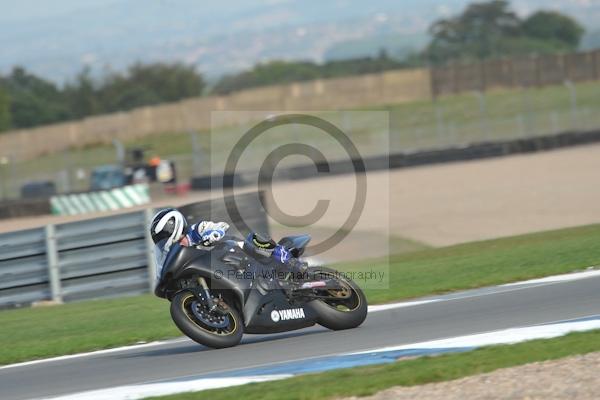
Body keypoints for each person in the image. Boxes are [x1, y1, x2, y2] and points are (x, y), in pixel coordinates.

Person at [150, 208, 292, 265]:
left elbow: (222, 226)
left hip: (236, 252)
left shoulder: (197, 229)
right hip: (222, 269)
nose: (162, 241)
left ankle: (287, 258)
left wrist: (213, 234)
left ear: (172, 227)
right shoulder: (177, 254)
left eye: (163, 236)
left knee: (252, 240)